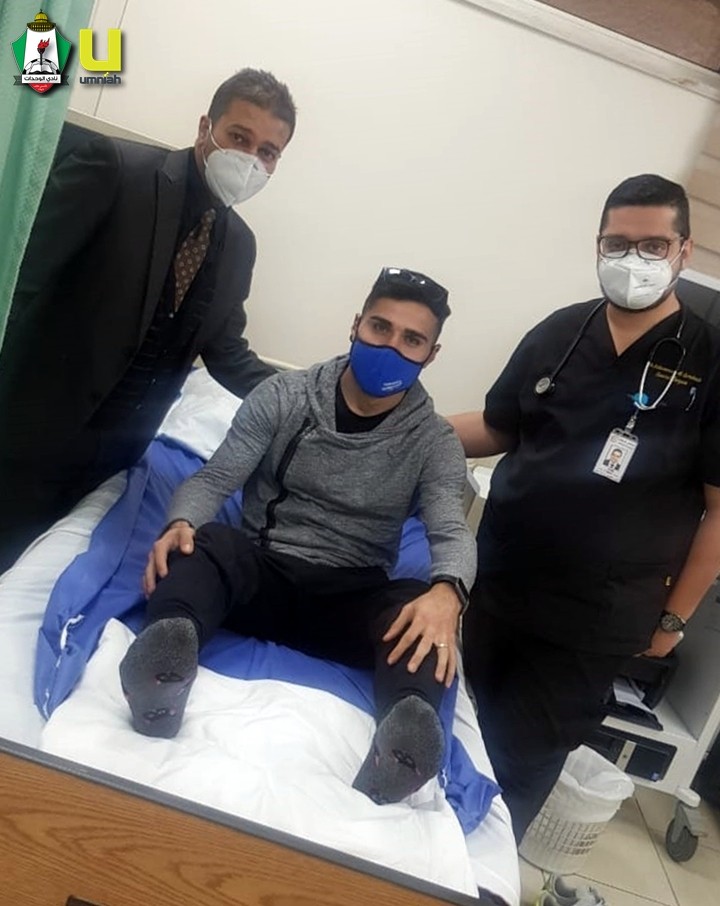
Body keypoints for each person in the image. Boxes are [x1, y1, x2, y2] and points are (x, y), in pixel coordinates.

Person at [118, 266, 475, 804]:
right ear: (356, 325)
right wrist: (180, 523)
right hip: (262, 573)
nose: (391, 347)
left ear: (431, 354)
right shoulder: (284, 395)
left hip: (352, 598)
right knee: (207, 544)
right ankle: (163, 669)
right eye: (380, 327)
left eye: (412, 340)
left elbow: (449, 527)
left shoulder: (435, 441)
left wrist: (449, 592)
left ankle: (405, 742)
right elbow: (214, 479)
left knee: (417, 611)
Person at [448, 174, 720, 842]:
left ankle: (476, 876)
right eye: (617, 244)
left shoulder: (711, 363)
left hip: (591, 621)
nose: (633, 259)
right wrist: (403, 422)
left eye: (652, 245)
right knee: (453, 734)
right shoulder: (561, 332)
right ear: (597, 245)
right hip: (497, 585)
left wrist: (673, 618)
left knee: (514, 772)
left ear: (684, 251)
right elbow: (499, 425)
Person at [0, 68, 296, 573]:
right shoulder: (116, 170)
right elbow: (21, 282)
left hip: (117, 459)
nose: (250, 158)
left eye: (267, 152)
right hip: (34, 433)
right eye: (239, 137)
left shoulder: (239, 246)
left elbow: (227, 352)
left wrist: (307, 399)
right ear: (205, 128)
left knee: (37, 577)